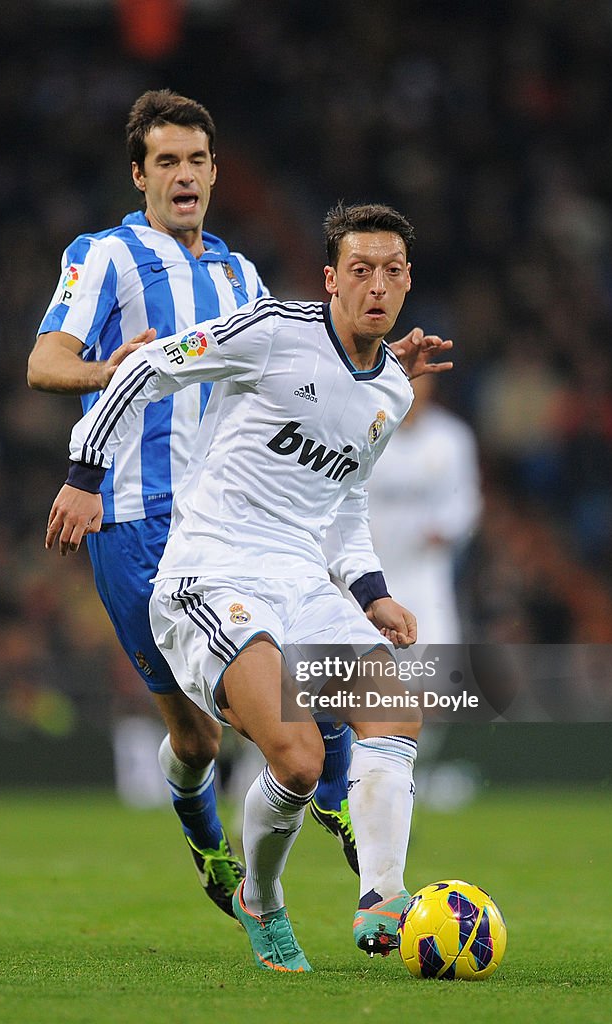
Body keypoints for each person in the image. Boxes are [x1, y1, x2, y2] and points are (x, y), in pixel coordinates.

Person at [29, 89, 453, 914]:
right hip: (133, 516)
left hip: (240, 527)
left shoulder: (238, 274)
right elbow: (46, 363)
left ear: (216, 173)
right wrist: (115, 370)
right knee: (199, 736)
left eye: (196, 161)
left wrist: (374, 362)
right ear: (139, 175)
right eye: (165, 163)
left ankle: (337, 851)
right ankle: (215, 830)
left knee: (317, 725)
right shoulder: (104, 256)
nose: (182, 176)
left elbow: (296, 370)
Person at [367, 374, 482, 644]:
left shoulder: (451, 437)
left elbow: (465, 500)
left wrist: (444, 529)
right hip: (370, 563)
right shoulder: (367, 427)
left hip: (423, 566)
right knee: (364, 661)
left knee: (431, 657)